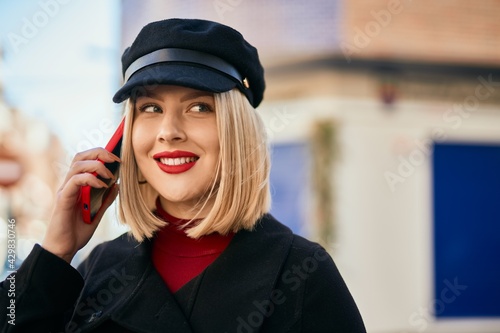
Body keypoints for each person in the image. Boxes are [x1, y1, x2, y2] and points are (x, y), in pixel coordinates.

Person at [0, 18, 366, 332]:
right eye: (151, 107)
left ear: (237, 132)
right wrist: (54, 253)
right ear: (126, 137)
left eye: (199, 106)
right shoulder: (99, 265)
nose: (168, 130)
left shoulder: (303, 274)